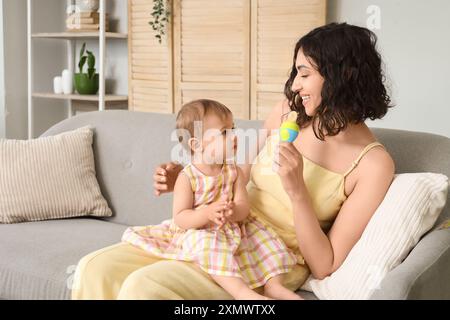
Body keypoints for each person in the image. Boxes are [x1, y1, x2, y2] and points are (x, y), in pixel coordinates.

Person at [72, 22, 395, 300]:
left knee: (146, 286)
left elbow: (325, 264)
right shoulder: (289, 112)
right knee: (95, 267)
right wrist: (195, 176)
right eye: (296, 72)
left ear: (344, 76)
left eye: (304, 73)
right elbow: (236, 170)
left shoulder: (373, 165)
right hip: (224, 229)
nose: (295, 84)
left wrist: (297, 191)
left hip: (273, 258)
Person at [121, 99, 300, 300]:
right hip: (201, 230)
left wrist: (233, 212)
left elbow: (243, 207)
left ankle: (274, 285)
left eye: (233, 128)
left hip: (233, 227)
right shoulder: (187, 178)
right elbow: (181, 218)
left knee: (267, 241)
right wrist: (206, 213)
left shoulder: (234, 172)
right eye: (224, 132)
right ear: (196, 145)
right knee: (208, 246)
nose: (234, 136)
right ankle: (242, 293)